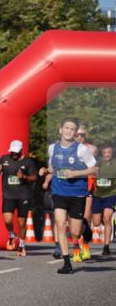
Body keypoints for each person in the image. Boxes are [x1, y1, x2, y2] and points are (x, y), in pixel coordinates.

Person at [46, 117, 98, 273]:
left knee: (75, 232)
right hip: (58, 191)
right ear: (60, 130)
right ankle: (66, 263)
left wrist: (75, 173)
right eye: (66, 128)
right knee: (60, 224)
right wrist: (48, 171)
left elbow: (94, 169)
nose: (69, 131)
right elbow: (52, 165)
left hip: (77, 194)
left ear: (75, 133)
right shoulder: (52, 148)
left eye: (72, 129)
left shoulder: (81, 149)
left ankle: (85, 228)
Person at [0, 140, 38, 256]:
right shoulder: (4, 158)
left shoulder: (28, 162)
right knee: (8, 220)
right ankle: (12, 234)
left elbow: (34, 178)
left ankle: (22, 245)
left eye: (16, 152)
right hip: (8, 195)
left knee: (21, 222)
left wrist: (24, 176)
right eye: (12, 151)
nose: (13, 153)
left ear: (21, 150)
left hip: (23, 195)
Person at [91, 143, 115, 257]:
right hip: (98, 195)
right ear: (102, 154)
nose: (107, 155)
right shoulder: (98, 163)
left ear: (112, 153)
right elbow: (92, 172)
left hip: (111, 194)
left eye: (109, 152)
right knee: (96, 222)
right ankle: (102, 220)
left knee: (107, 218)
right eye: (105, 152)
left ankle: (106, 247)